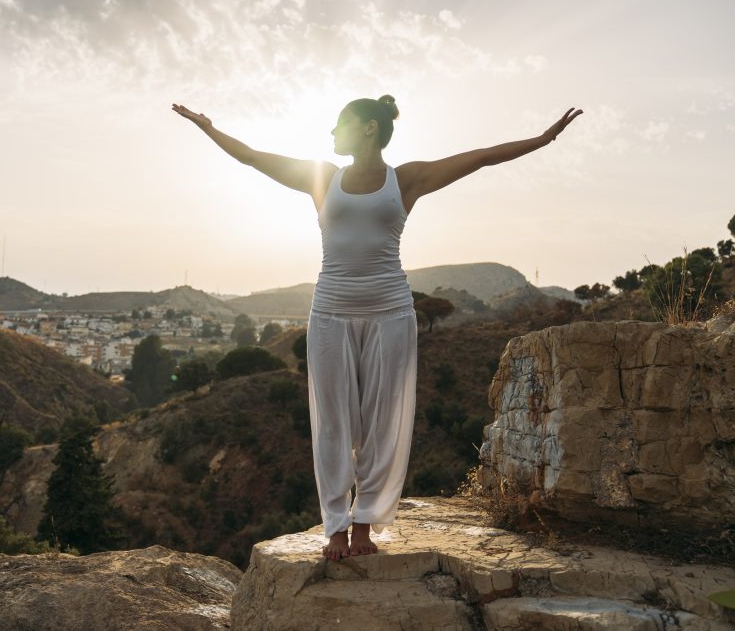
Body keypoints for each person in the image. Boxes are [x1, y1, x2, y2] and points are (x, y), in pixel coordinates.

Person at [172, 97, 582, 560]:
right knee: (333, 423)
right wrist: (208, 127)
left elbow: (482, 157)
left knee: (381, 422)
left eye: (340, 124)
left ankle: (363, 523)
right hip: (330, 313)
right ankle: (335, 525)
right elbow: (251, 157)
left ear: (369, 128)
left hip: (390, 312)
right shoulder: (322, 177)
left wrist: (543, 139)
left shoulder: (405, 179)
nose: (332, 133)